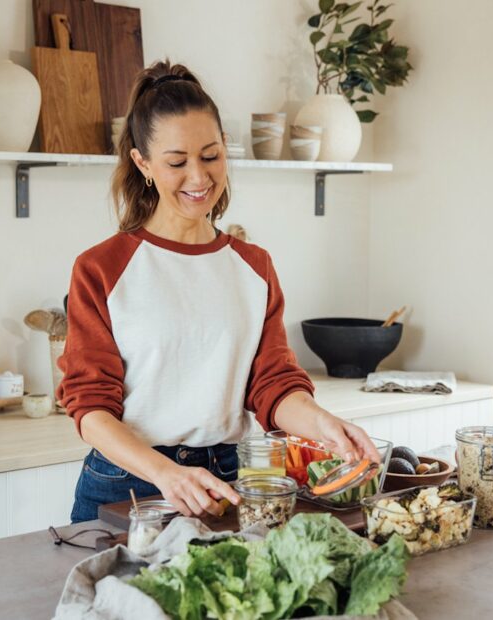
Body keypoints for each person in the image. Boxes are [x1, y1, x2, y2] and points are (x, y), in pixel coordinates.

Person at [57, 60, 381, 524]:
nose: (198, 177)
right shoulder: (101, 269)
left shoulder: (253, 266)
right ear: (142, 164)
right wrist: (166, 473)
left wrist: (323, 423)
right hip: (128, 483)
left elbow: (272, 384)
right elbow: (90, 408)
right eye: (176, 162)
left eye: (210, 156)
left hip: (227, 478)